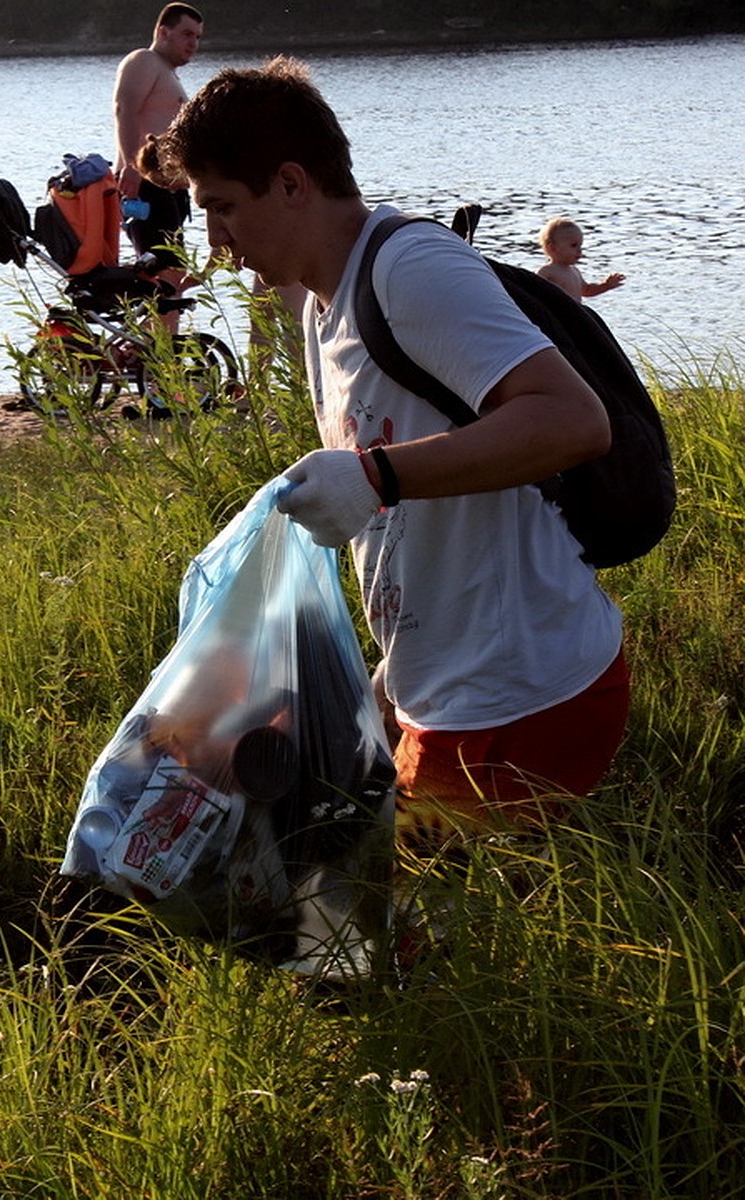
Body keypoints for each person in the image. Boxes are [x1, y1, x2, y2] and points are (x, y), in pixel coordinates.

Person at [154, 58, 629, 852]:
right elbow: (408, 506)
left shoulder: (411, 269)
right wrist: (384, 676)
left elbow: (573, 421)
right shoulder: (321, 301)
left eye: (224, 207)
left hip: (520, 695)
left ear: (293, 183)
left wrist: (374, 477)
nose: (215, 238)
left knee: (382, 941)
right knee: (349, 912)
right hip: (438, 686)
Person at [113, 3, 203, 281]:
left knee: (170, 269)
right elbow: (123, 108)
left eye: (198, 37)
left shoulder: (168, 73)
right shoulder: (143, 60)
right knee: (164, 269)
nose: (193, 43)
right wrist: (130, 165)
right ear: (163, 32)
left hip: (168, 186)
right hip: (144, 182)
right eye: (187, 34)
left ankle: (149, 321)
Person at [537, 216, 625, 303]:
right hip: (555, 314)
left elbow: (586, 290)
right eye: (573, 245)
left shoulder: (574, 271)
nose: (579, 250)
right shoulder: (547, 271)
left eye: (580, 245)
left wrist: (605, 285)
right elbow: (533, 290)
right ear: (553, 248)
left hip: (575, 314)